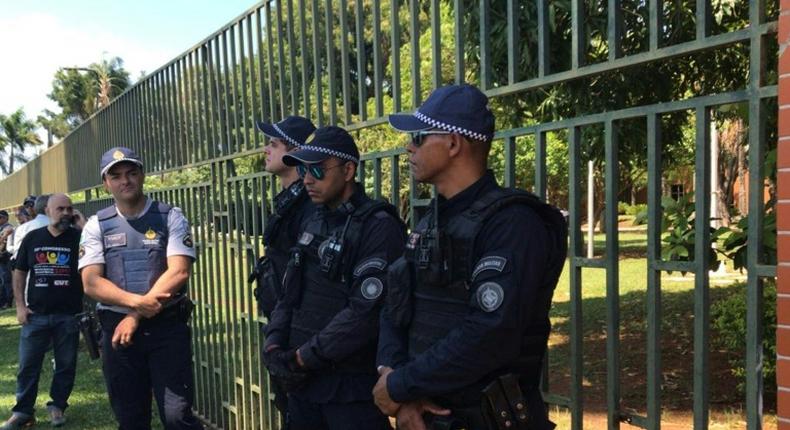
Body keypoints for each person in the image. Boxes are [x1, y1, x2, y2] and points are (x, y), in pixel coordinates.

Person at [373, 84, 568, 430]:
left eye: (418, 136)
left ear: (452, 143)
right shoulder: (431, 221)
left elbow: (490, 334)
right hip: (424, 415)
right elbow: (395, 306)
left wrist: (401, 386)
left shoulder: (513, 224)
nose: (409, 147)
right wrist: (394, 380)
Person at [263, 126, 406, 430]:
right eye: (302, 168)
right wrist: (274, 345)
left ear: (349, 169)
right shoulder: (312, 220)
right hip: (303, 388)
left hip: (349, 392)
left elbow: (363, 313)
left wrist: (302, 358)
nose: (307, 178)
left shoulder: (378, 226)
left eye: (317, 168)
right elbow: (289, 292)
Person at [79, 147, 203, 430]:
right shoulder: (96, 225)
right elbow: (91, 282)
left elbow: (179, 271)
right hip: (117, 336)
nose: (126, 181)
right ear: (106, 183)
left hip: (166, 330)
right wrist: (138, 304)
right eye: (117, 176)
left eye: (132, 173)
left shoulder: (170, 216)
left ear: (142, 176)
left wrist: (135, 314)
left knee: (177, 416)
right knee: (131, 418)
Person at [249, 115, 316, 419]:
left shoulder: (309, 205)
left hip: (301, 330)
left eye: (274, 144)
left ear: (295, 153)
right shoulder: (288, 202)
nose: (266, 150)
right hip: (281, 322)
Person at [0, 193, 83, 429]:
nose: (66, 213)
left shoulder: (79, 237)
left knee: (66, 365)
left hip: (68, 315)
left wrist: (82, 223)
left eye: (69, 209)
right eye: (60, 209)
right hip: (36, 315)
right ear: (47, 210)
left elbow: (95, 258)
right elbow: (19, 272)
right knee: (28, 365)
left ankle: (57, 406)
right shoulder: (34, 237)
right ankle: (23, 412)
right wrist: (20, 306)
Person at [9, 195, 50, 260]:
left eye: (32, 204)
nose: (29, 208)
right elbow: (18, 251)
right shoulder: (21, 228)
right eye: (26, 206)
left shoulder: (51, 222)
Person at [0, 210, 13, 308]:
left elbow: (4, 243)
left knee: (6, 280)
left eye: (0, 217)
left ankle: (7, 302)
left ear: (6, 218)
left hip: (5, 257)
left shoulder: (8, 227)